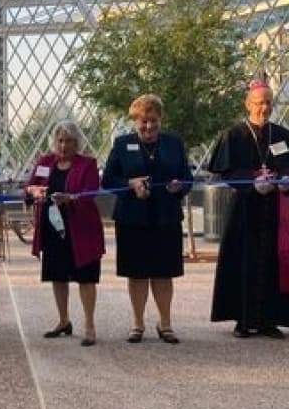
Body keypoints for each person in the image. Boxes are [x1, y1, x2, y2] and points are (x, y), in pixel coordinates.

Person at [101, 94, 192, 344]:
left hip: (166, 217)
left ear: (160, 119)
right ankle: (137, 323)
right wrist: (130, 184)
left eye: (153, 121)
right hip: (132, 219)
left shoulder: (174, 143)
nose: (149, 126)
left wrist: (179, 186)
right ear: (135, 121)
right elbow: (108, 180)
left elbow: (187, 177)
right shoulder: (122, 144)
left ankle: (165, 323)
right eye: (143, 121)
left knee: (164, 273)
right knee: (137, 273)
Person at [208, 81, 289, 338]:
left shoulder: (282, 134)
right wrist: (252, 182)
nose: (264, 108)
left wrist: (283, 180)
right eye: (259, 103)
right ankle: (243, 321)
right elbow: (225, 171)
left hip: (274, 210)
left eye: (268, 102)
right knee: (242, 261)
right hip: (245, 209)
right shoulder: (234, 134)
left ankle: (269, 320)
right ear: (248, 104)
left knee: (272, 264)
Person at [26, 120, 104, 346]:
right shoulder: (45, 162)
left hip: (81, 230)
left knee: (86, 278)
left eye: (68, 141)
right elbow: (29, 188)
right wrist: (34, 191)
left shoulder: (87, 164)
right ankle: (63, 320)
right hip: (53, 229)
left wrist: (71, 198)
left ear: (76, 142)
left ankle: (89, 325)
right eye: (60, 140)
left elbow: (91, 193)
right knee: (57, 276)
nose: (63, 146)